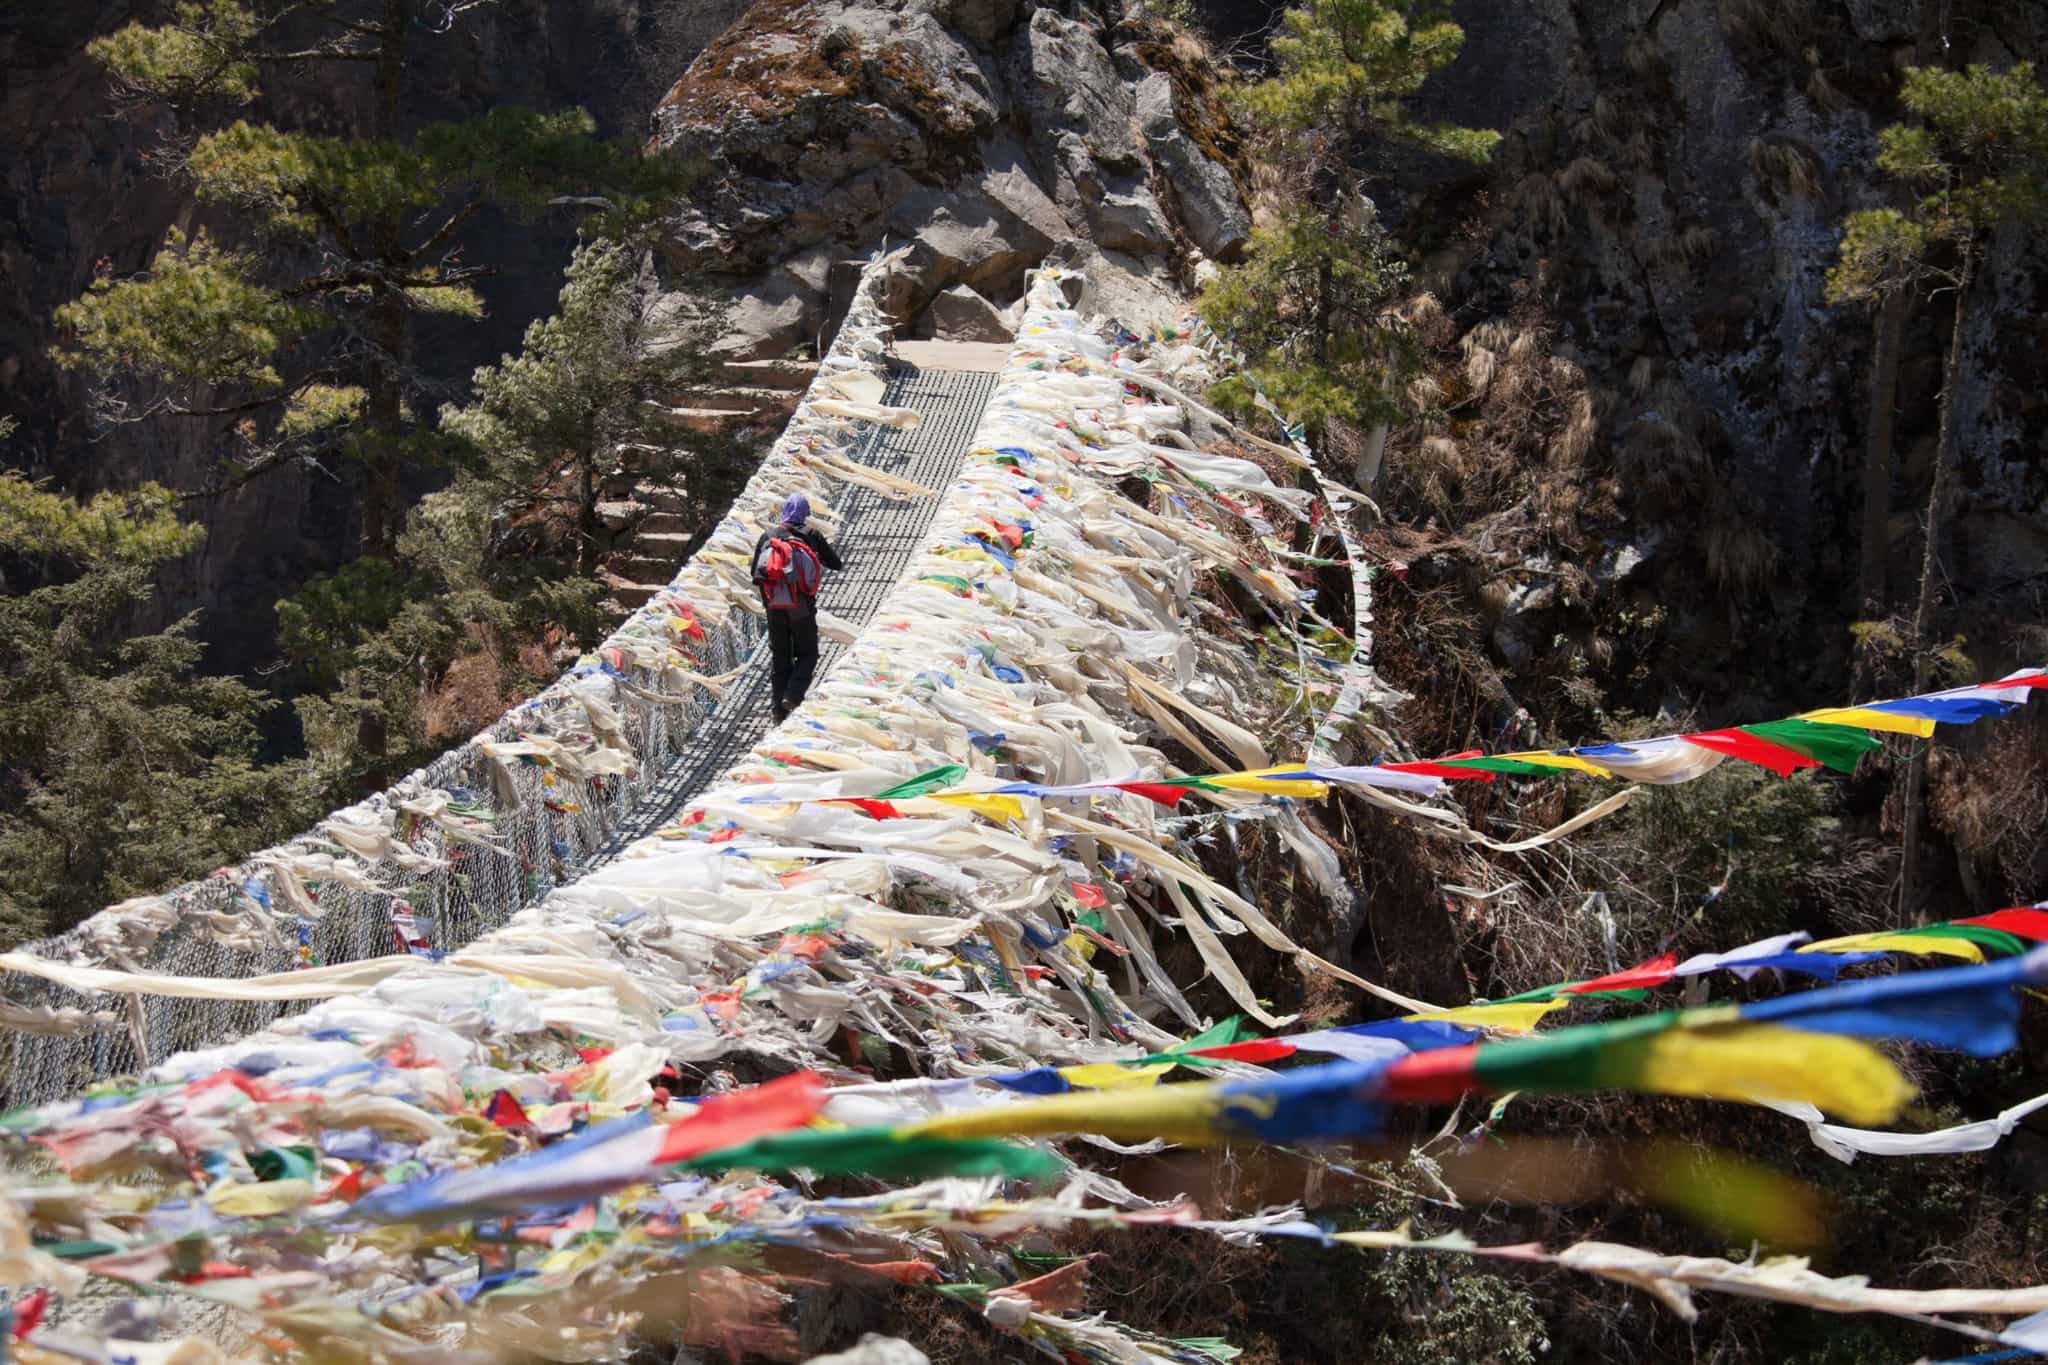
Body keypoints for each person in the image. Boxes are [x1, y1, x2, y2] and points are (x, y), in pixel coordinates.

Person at [750, 493, 842, 721]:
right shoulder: (811, 534)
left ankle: (778, 710)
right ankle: (792, 695)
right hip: (801, 608)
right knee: (808, 653)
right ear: (805, 513)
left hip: (774, 607)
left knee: (780, 657)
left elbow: (755, 573)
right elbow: (836, 564)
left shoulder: (768, 536)